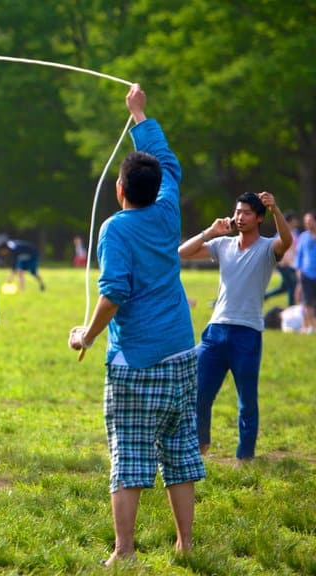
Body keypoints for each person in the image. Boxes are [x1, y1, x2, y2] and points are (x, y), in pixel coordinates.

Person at [68, 84, 204, 566]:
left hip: (136, 359)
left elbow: (114, 294)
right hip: (183, 352)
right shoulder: (168, 212)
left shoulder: (115, 228)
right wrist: (140, 116)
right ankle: (185, 546)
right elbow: (169, 164)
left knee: (129, 455)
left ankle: (124, 550)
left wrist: (87, 333)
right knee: (181, 450)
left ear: (120, 189)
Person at [179, 192, 291, 463]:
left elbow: (287, 241)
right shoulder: (223, 245)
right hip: (215, 331)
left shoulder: (267, 248)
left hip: (247, 334)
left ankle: (245, 458)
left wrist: (276, 209)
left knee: (247, 403)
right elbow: (181, 254)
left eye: (247, 213)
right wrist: (210, 232)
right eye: (237, 211)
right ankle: (200, 445)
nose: (239, 217)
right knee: (198, 393)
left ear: (259, 218)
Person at [263, 211, 299, 306]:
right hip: (284, 265)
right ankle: (291, 306)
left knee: (284, 287)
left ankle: (265, 296)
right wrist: (282, 262)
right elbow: (276, 249)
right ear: (290, 221)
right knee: (293, 286)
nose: (296, 222)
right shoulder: (281, 234)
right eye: (295, 220)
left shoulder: (295, 233)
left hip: (292, 264)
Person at [296, 211, 316, 333]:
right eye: (305, 222)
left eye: (310, 221)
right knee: (307, 302)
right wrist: (299, 275)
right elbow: (299, 256)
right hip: (306, 274)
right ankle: (310, 327)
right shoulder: (303, 237)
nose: (307, 224)